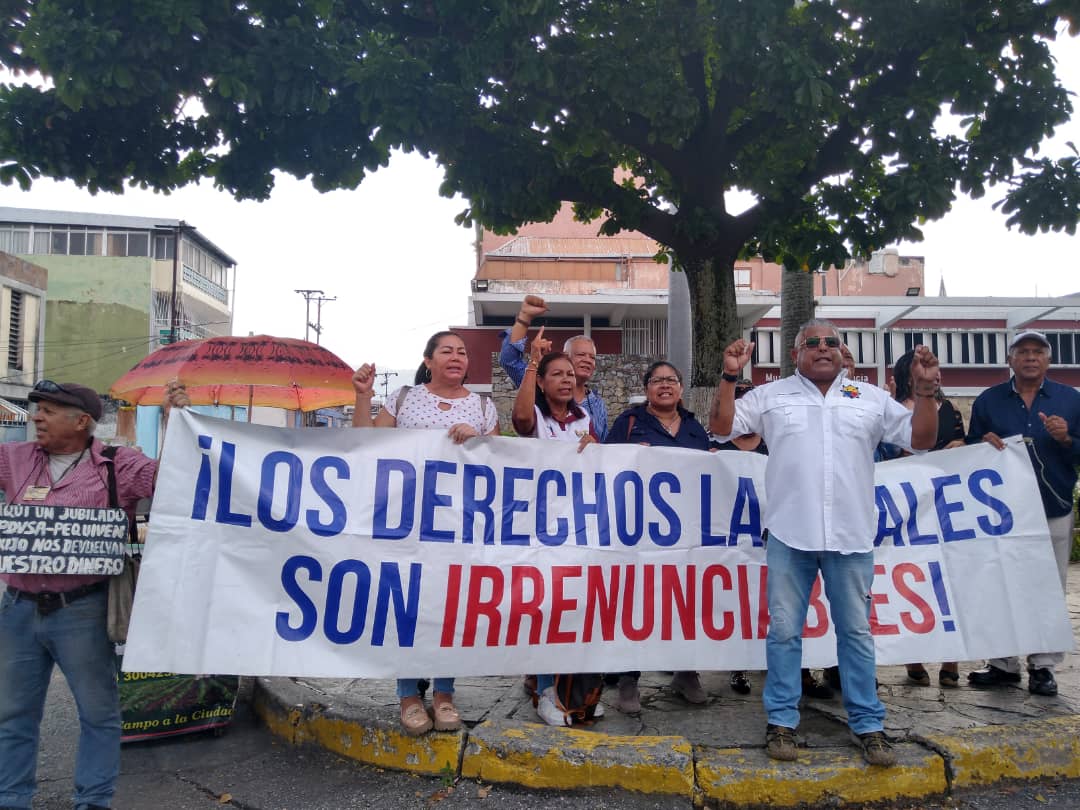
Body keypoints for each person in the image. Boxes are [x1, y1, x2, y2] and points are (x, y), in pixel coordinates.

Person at [710, 320, 939, 766]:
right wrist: (730, 375)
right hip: (789, 536)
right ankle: (781, 722)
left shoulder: (870, 398)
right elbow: (721, 428)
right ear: (795, 354)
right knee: (783, 633)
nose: (821, 348)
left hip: (851, 537)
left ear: (842, 351)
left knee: (855, 634)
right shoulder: (770, 396)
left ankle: (868, 725)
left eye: (830, 342)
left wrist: (926, 391)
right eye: (810, 343)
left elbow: (920, 440)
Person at [0, 379, 189, 810]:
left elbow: (173, 481)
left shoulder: (116, 465)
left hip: (82, 610)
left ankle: (92, 801)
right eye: (36, 410)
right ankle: (11, 799)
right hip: (17, 608)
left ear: (82, 421)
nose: (36, 418)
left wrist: (175, 423)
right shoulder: (14, 458)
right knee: (12, 716)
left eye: (47, 410)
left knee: (98, 715)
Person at [352, 331, 499, 735]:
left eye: (462, 351)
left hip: (461, 524)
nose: (456, 356)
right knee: (409, 604)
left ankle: (445, 695)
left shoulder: (483, 406)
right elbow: (364, 444)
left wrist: (480, 438)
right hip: (408, 519)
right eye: (446, 350)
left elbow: (504, 464)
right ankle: (409, 696)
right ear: (428, 360)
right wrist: (363, 396)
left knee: (452, 604)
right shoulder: (404, 398)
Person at [965, 330, 1080, 698]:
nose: (1030, 357)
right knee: (1000, 585)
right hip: (1002, 514)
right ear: (1010, 360)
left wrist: (1067, 439)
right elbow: (969, 449)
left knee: (1048, 589)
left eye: (1038, 352)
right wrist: (981, 445)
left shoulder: (1070, 400)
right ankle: (1002, 664)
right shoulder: (988, 400)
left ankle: (1043, 666)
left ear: (1048, 360)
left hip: (1053, 507)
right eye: (1023, 352)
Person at [711, 381, 835, 701]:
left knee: (787, 609)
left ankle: (800, 671)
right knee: (739, 603)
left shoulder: (775, 444)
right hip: (731, 543)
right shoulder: (717, 445)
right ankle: (739, 665)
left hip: (780, 537)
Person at [605, 360, 711, 714]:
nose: (664, 385)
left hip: (686, 535)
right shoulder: (630, 423)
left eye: (671, 380)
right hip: (637, 532)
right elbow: (605, 467)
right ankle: (628, 679)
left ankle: (685, 672)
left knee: (683, 603)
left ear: (681, 388)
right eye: (656, 380)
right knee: (634, 604)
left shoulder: (695, 428)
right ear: (647, 388)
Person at [511, 329, 602, 726]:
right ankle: (546, 690)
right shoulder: (535, 418)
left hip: (579, 529)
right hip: (540, 529)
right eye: (557, 374)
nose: (566, 379)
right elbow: (519, 419)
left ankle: (573, 690)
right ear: (543, 383)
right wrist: (532, 361)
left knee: (573, 609)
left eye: (570, 374)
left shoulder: (585, 418)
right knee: (545, 611)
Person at [881, 351, 966, 687]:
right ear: (908, 374)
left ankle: (951, 660)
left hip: (942, 505)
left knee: (947, 580)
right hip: (905, 508)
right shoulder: (892, 411)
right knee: (909, 579)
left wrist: (961, 446)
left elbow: (964, 446)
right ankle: (913, 658)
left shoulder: (950, 409)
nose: (933, 375)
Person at [499, 294, 609, 440]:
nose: (587, 360)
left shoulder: (597, 404)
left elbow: (604, 446)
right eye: (581, 354)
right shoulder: (536, 385)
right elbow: (509, 360)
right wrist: (524, 318)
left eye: (592, 357)